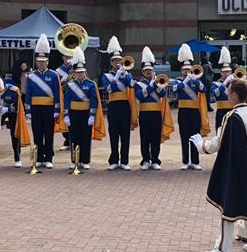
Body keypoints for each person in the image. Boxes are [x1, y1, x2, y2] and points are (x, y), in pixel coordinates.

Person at [192, 77, 247, 252]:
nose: (227, 95)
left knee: (228, 204)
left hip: (233, 165)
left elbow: (218, 143)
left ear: (234, 94)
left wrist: (202, 146)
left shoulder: (231, 116)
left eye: (229, 92)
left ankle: (224, 249)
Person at [24, 34, 63, 169]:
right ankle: (39, 157)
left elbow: (57, 93)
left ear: (47, 61)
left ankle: (49, 158)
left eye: (44, 61)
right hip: (35, 109)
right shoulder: (31, 76)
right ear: (36, 62)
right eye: (39, 61)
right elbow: (28, 94)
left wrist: (57, 110)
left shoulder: (53, 75)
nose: (41, 63)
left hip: (49, 109)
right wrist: (28, 110)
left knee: (48, 134)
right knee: (37, 134)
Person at [63, 47, 103, 170]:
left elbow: (94, 100)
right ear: (74, 73)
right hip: (74, 113)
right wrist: (66, 115)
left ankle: (85, 160)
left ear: (85, 72)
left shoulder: (91, 84)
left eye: (82, 72)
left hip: (86, 114)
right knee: (74, 137)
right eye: (78, 72)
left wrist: (92, 115)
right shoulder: (70, 85)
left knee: (85, 138)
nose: (80, 74)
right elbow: (67, 100)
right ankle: (74, 160)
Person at [171, 43, 209, 170]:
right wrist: (186, 81)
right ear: (181, 71)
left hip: (194, 111)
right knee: (184, 137)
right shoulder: (178, 81)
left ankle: (195, 161)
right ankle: (185, 161)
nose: (187, 72)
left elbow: (203, 90)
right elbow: (175, 89)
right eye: (184, 70)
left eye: (189, 70)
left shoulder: (196, 81)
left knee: (195, 136)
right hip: (183, 111)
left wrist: (195, 80)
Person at [134, 47, 172, 170]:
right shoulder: (138, 84)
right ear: (142, 72)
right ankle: (145, 160)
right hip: (144, 113)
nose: (149, 72)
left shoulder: (157, 83)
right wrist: (151, 86)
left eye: (150, 70)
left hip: (156, 113)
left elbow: (162, 95)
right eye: (146, 71)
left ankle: (155, 160)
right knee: (145, 137)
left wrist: (158, 85)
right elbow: (140, 96)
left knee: (156, 137)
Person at [102, 36, 135, 170]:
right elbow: (109, 89)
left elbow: (131, 85)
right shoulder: (107, 76)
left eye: (119, 61)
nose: (118, 63)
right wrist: (116, 76)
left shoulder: (126, 74)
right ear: (111, 62)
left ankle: (125, 161)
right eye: (115, 61)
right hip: (113, 105)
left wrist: (125, 74)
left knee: (125, 134)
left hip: (125, 105)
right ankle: (114, 160)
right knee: (114, 133)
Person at [0, 74, 29, 168]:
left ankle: (17, 159)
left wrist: (7, 109)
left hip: (12, 112)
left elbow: (17, 108)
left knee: (14, 134)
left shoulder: (14, 90)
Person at [209, 47, 234, 131]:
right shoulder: (215, 84)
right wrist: (226, 82)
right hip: (221, 111)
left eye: (228, 72)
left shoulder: (235, 84)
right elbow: (216, 94)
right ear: (220, 72)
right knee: (220, 133)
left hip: (233, 111)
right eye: (224, 72)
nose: (226, 74)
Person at [55, 52, 74, 152]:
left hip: (74, 97)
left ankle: (73, 141)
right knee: (64, 118)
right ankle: (67, 140)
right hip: (63, 96)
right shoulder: (58, 70)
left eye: (70, 57)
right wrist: (65, 79)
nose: (68, 58)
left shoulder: (75, 68)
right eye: (66, 56)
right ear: (62, 57)